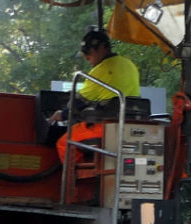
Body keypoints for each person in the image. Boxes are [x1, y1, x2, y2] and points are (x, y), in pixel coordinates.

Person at [51, 26, 141, 164]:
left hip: (108, 127)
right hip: (133, 124)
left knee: (64, 143)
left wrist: (61, 114)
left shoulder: (100, 70)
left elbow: (78, 104)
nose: (87, 58)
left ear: (102, 48)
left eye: (89, 52)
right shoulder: (129, 64)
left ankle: (82, 184)